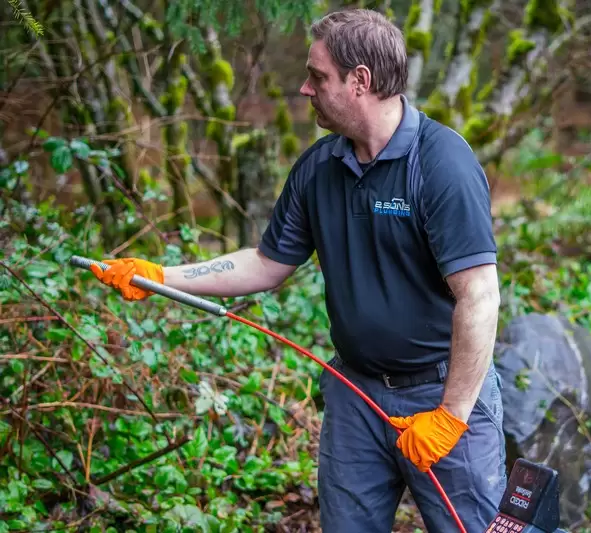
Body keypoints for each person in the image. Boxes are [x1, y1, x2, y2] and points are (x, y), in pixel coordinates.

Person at [91, 8, 506, 532]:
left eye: (317, 76)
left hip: (443, 395)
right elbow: (266, 263)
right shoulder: (318, 167)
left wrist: (451, 416)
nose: (304, 89)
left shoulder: (442, 163)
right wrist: (160, 275)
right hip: (355, 394)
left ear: (361, 81)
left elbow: (480, 295)